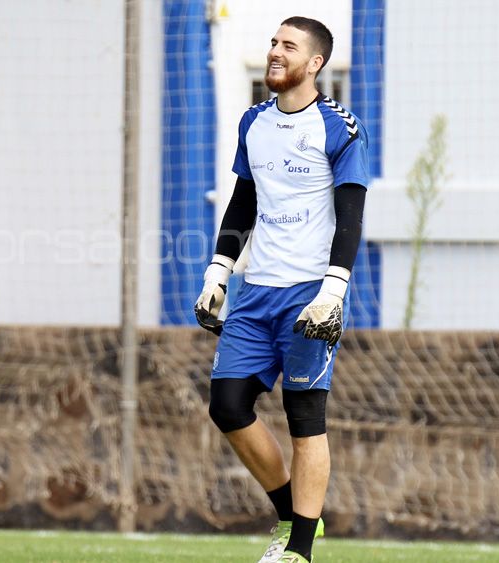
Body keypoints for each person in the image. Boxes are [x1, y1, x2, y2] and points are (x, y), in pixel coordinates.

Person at [194, 16, 369, 563]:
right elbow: (243, 202)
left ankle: (299, 549)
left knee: (303, 416)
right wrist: (218, 272)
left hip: (309, 293)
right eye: (273, 43)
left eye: (287, 47)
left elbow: (350, 220)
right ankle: (293, 514)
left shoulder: (340, 127)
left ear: (315, 63)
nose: (275, 52)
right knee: (227, 405)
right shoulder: (254, 122)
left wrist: (333, 292)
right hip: (256, 292)